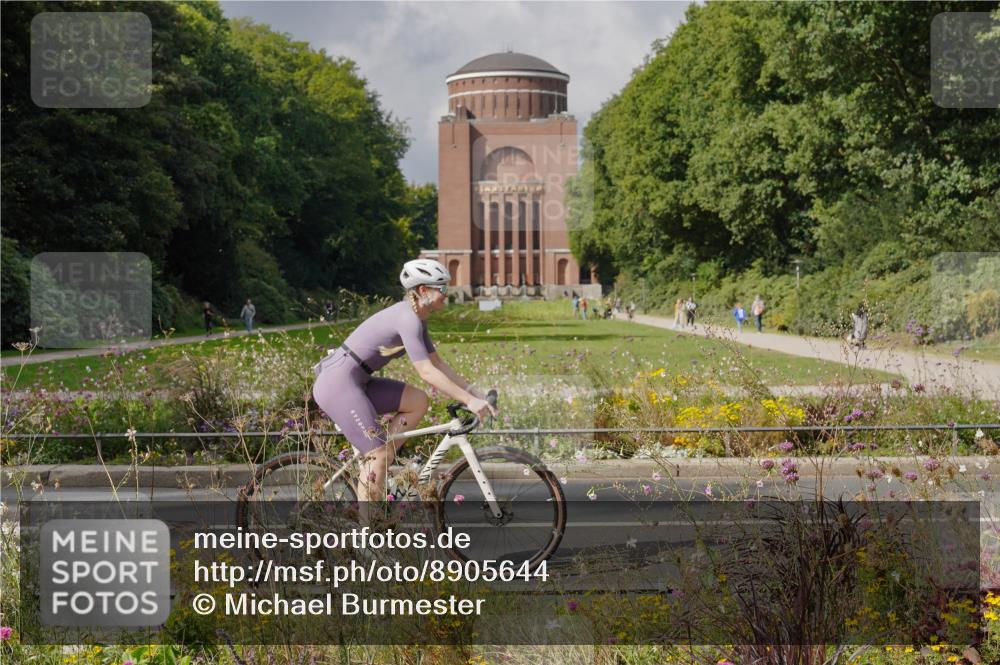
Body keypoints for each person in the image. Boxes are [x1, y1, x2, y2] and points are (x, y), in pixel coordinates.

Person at [312, 258, 497, 510]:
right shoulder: (407, 318)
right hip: (337, 385)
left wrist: (474, 392)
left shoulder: (418, 319)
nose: (447, 294)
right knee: (378, 455)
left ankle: (378, 465)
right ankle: (368, 541)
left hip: (357, 382)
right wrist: (469, 401)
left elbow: (438, 363)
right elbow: (426, 372)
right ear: (423, 291)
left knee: (417, 401)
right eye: (442, 288)